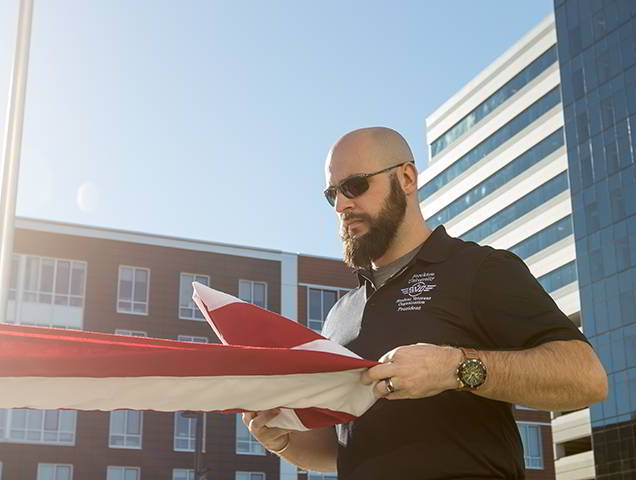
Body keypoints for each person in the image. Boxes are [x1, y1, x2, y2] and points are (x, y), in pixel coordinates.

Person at [243, 127, 608, 479]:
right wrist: (285, 439)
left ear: (406, 179)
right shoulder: (341, 314)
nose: (341, 204)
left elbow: (586, 378)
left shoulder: (479, 269)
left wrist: (454, 368)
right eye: (332, 194)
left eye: (355, 185)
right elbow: (345, 454)